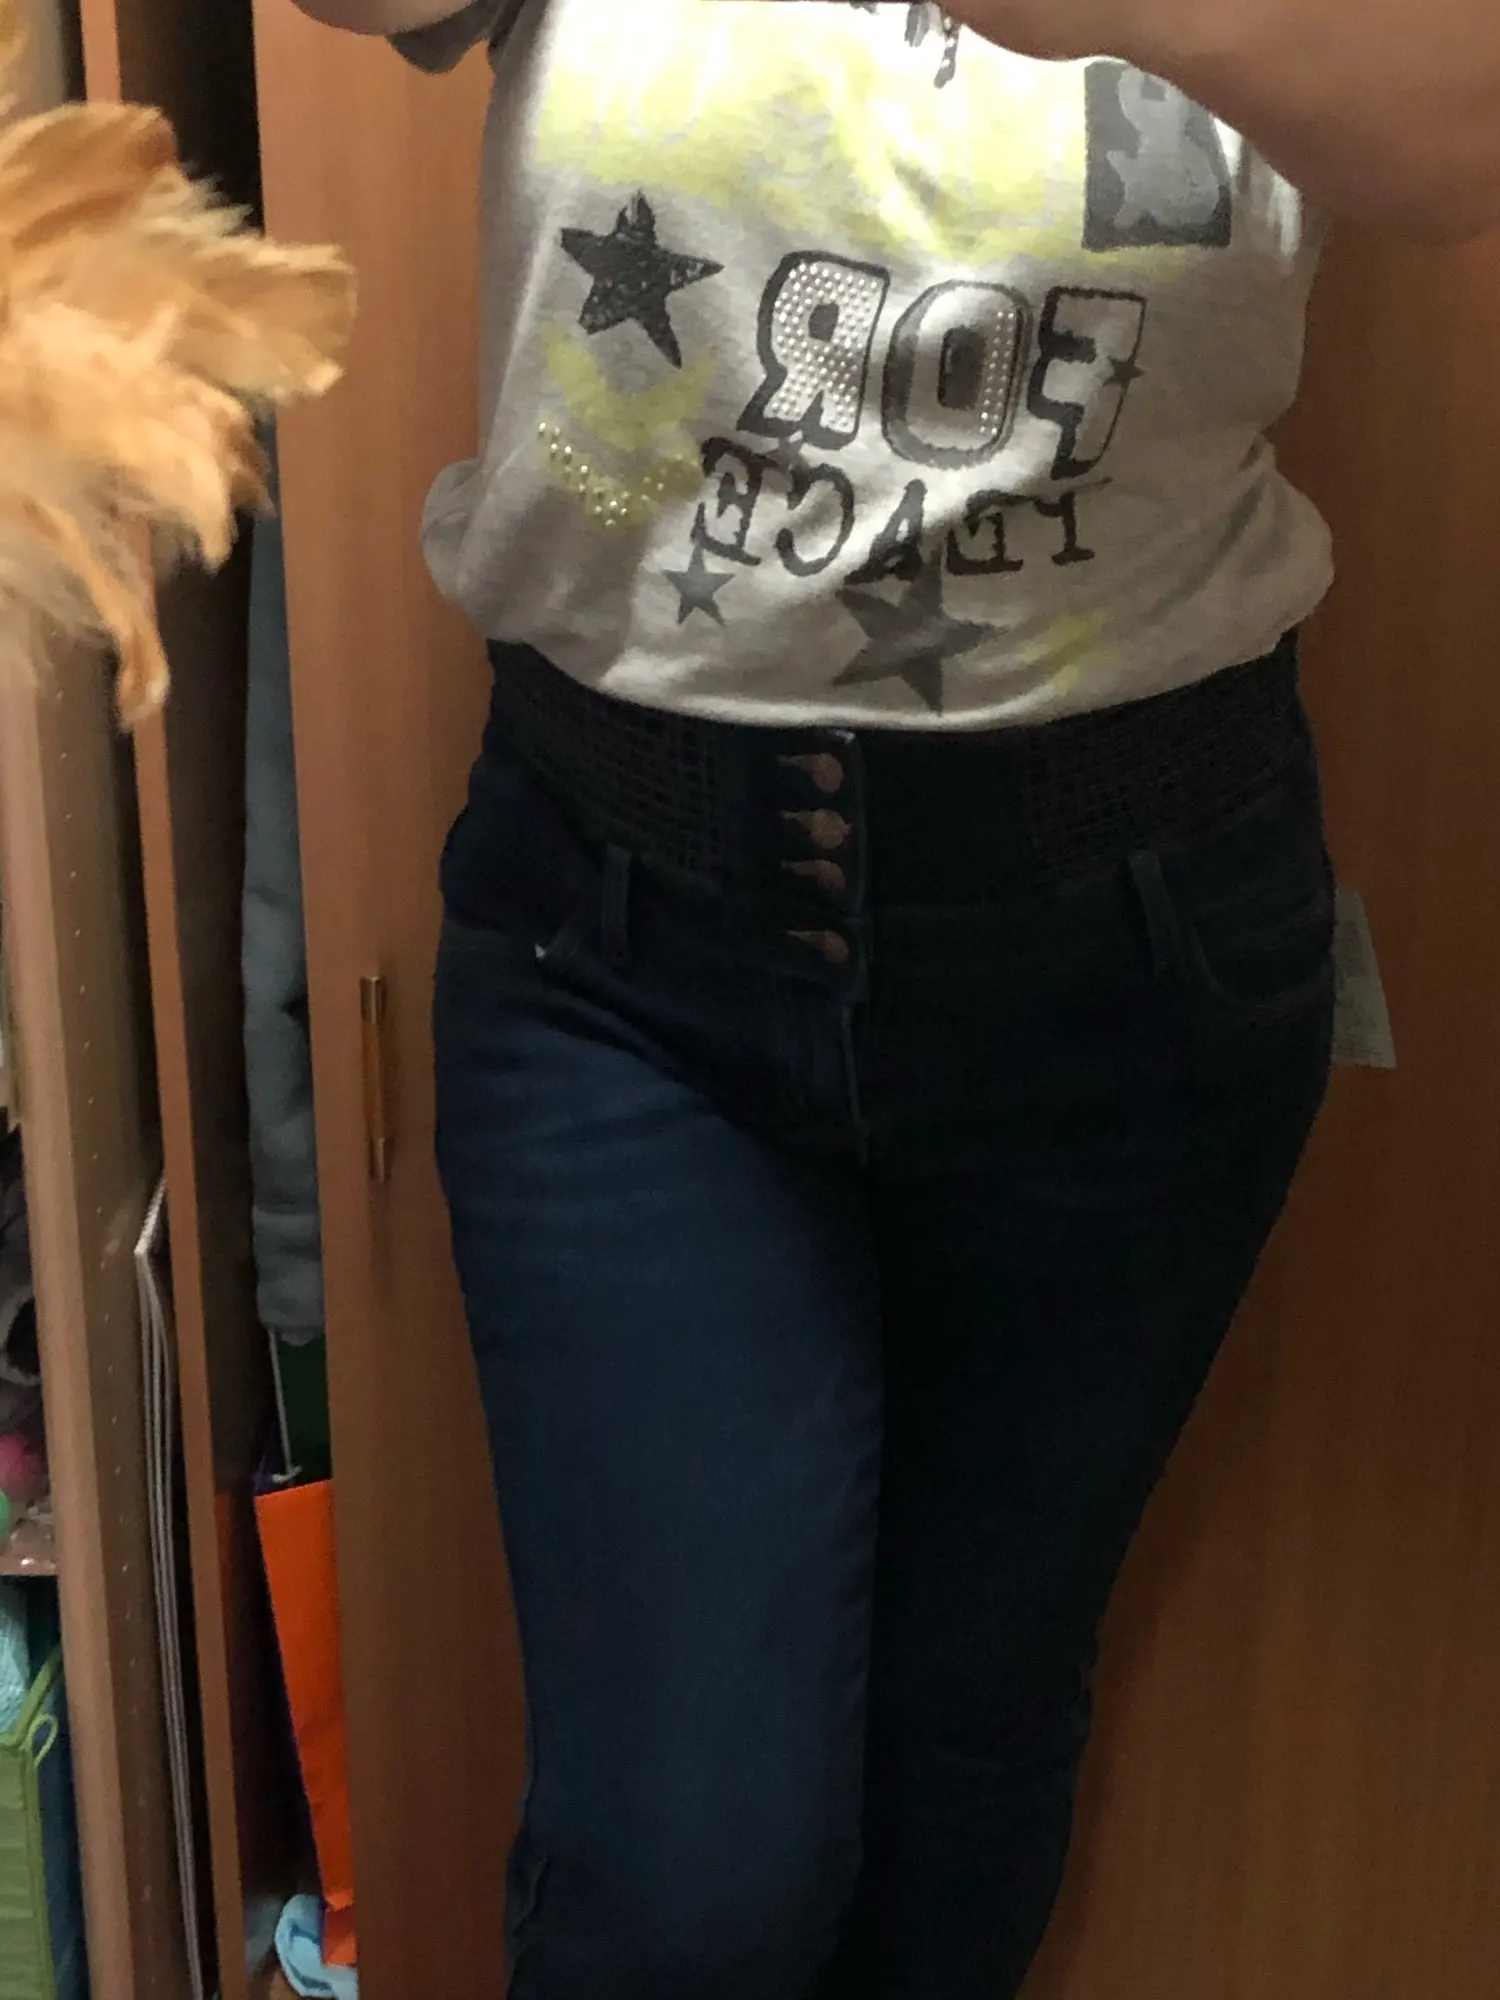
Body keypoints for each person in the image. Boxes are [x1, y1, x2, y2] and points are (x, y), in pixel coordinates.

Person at [291, 4, 1500, 1996]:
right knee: (682, 1884)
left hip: (1135, 955)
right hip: (629, 942)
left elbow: (1465, 126)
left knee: (967, 1758)